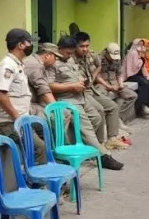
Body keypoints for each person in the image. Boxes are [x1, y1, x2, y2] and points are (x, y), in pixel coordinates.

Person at [48, 36, 124, 170]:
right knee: (86, 127)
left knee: (96, 118)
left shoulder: (71, 59)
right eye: (67, 53)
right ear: (59, 49)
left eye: (71, 53)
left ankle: (85, 147)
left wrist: (82, 81)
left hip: (81, 96)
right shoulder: (53, 62)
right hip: (67, 99)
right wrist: (72, 86)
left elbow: (88, 70)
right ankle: (103, 155)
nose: (70, 55)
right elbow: (50, 85)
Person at [0, 29, 47, 165]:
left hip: (21, 117)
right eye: (29, 42)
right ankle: (36, 182)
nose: (31, 46)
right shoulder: (8, 65)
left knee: (46, 130)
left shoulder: (17, 63)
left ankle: (42, 168)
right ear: (20, 45)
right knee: (39, 147)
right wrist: (17, 118)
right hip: (7, 121)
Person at [74, 32, 127, 148]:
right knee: (99, 110)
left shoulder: (90, 55)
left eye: (87, 46)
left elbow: (98, 66)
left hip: (91, 89)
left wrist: (92, 78)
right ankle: (99, 143)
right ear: (75, 46)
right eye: (81, 46)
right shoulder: (71, 59)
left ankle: (112, 139)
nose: (85, 49)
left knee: (113, 107)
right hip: (81, 92)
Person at [97, 42, 138, 123]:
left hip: (114, 83)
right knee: (99, 96)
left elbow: (119, 74)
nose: (113, 59)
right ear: (107, 52)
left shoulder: (117, 59)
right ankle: (107, 120)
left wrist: (121, 86)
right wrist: (109, 87)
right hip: (101, 83)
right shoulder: (98, 59)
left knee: (132, 96)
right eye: (112, 57)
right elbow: (97, 77)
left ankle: (118, 118)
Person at [123, 38, 149, 117]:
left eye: (141, 44)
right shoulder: (132, 53)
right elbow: (134, 67)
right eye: (139, 44)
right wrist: (141, 59)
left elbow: (143, 67)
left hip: (138, 74)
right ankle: (141, 107)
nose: (141, 46)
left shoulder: (139, 53)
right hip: (131, 75)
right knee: (144, 84)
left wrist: (147, 75)